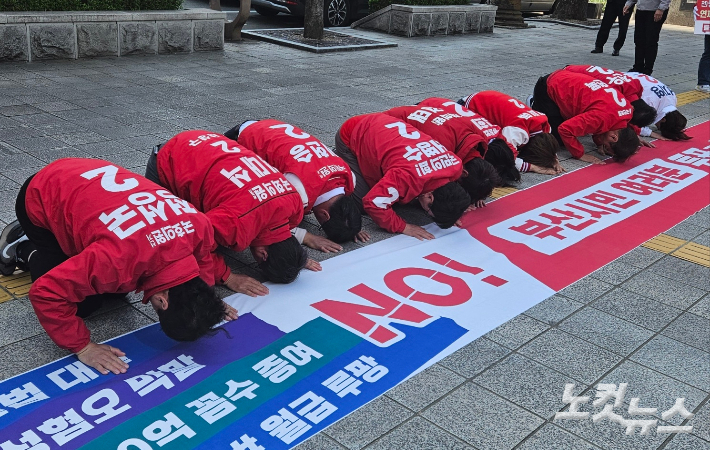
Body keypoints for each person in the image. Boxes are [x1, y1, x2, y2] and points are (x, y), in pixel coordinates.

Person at [0, 158, 234, 376]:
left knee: (117, 290)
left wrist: (206, 301)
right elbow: (46, 292)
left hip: (87, 176)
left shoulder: (199, 226)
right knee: (84, 305)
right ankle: (24, 247)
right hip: (42, 194)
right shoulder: (116, 261)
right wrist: (83, 347)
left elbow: (202, 260)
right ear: (163, 301)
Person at [146, 130, 320, 297]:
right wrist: (227, 276)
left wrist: (293, 258)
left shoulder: (294, 205)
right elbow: (196, 240)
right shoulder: (235, 223)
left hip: (208, 141)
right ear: (263, 255)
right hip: (168, 159)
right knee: (172, 236)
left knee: (220, 232)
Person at [229, 120, 369, 247]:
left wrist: (351, 226)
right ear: (325, 215)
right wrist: (306, 237)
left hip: (270, 125)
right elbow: (268, 220)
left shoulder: (349, 176)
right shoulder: (299, 192)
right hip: (243, 137)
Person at [334, 113, 470, 240]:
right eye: (428, 211)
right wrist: (403, 227)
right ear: (430, 196)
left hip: (385, 125)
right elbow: (373, 203)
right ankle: (335, 159)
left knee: (396, 194)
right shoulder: (407, 177)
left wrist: (452, 213)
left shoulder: (455, 165)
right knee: (360, 203)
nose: (427, 214)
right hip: (353, 132)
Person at [383, 98, 509, 202]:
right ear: (464, 172)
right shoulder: (441, 148)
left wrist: (479, 192)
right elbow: (424, 186)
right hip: (387, 125)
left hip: (416, 111)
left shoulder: (477, 142)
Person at [530, 70, 639, 164]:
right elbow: (565, 129)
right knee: (556, 140)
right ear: (614, 137)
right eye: (607, 147)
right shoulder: (600, 117)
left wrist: (599, 142)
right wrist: (580, 154)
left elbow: (603, 125)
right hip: (549, 87)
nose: (604, 149)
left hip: (569, 80)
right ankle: (534, 104)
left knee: (574, 130)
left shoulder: (627, 113)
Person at [459, 90, 564, 175]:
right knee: (487, 147)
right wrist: (533, 167)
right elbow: (507, 157)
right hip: (467, 107)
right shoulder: (518, 132)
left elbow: (546, 144)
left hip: (484, 98)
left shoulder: (545, 126)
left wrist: (553, 158)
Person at [562, 65, 658, 131]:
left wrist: (634, 133)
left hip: (577, 69)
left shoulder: (636, 85)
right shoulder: (614, 95)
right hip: (567, 75)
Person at [626, 72, 691, 140]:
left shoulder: (673, 98)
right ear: (663, 119)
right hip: (621, 82)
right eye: (659, 127)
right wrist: (649, 132)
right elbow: (626, 120)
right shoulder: (647, 103)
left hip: (630, 76)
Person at [624, 0, 670, 75]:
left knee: (651, 40)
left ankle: (648, 69)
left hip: (655, 11)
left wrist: (661, 9)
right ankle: (638, 67)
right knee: (639, 40)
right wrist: (629, 4)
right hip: (641, 10)